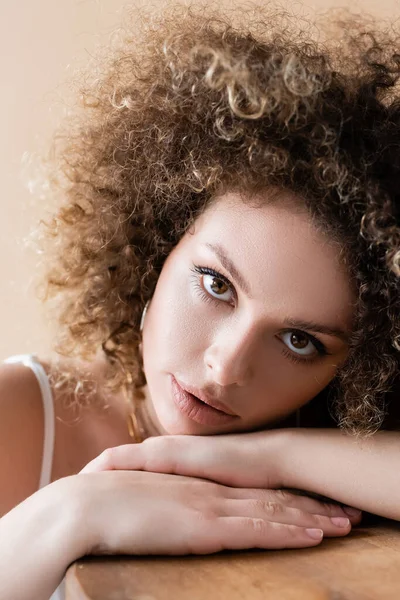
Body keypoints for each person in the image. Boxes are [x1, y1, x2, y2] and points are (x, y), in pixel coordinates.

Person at [0, 3, 399, 599]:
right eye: (216, 285)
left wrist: (273, 458)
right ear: (159, 244)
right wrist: (70, 514)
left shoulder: (332, 436)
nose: (227, 366)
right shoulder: (20, 412)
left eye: (300, 341)